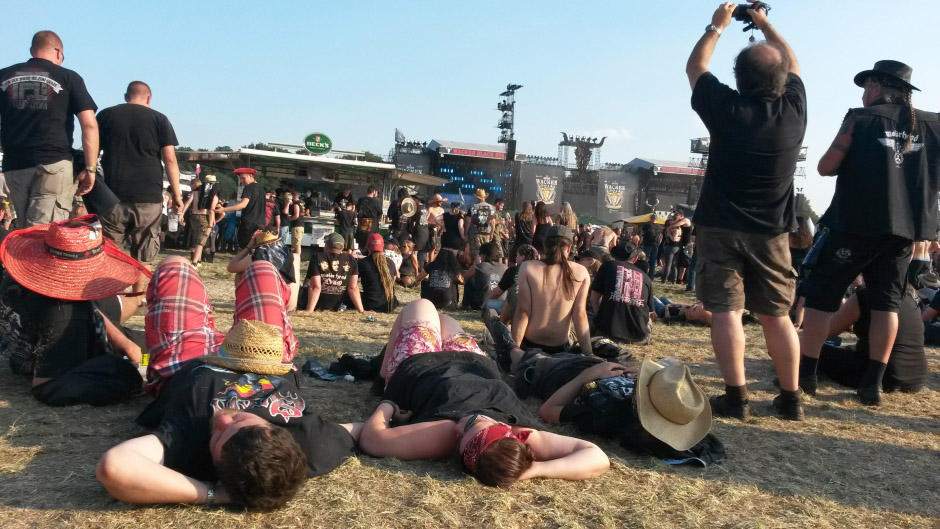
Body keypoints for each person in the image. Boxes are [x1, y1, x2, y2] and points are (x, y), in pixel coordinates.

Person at [96, 320, 361, 511]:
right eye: (242, 420)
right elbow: (359, 430)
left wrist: (215, 495)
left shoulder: (187, 442)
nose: (223, 419)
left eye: (218, 437)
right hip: (263, 353)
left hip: (193, 355)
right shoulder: (312, 442)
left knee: (175, 267)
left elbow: (114, 467)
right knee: (263, 279)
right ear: (276, 429)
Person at [686, 2, 806, 420]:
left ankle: (736, 397)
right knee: (778, 317)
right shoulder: (794, 112)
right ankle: (790, 399)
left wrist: (716, 27)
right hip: (772, 230)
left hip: (720, 224)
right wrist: (765, 22)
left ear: (738, 79)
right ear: (783, 80)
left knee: (727, 312)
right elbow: (791, 62)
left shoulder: (725, 108)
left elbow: (696, 67)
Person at [799, 59, 940, 406]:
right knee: (886, 304)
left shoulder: (859, 119)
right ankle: (872, 385)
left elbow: (825, 167)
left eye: (866, 88)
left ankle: (805, 377)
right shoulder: (935, 124)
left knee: (819, 299)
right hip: (904, 231)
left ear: (877, 87)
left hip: (854, 223)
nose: (863, 95)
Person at [360, 300, 609, 488]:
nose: (458, 430)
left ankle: (384, 373)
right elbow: (597, 457)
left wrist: (389, 404)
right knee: (444, 319)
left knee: (422, 305)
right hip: (473, 362)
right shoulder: (522, 436)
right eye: (470, 425)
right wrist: (532, 469)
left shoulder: (443, 435)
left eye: (460, 442)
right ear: (510, 431)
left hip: (419, 365)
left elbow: (372, 440)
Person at [0, 215, 149, 405]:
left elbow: (88, 305)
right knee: (140, 365)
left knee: (154, 349)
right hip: (73, 358)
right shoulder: (65, 314)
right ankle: (147, 367)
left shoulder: (15, 278)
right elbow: (47, 386)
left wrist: (122, 342)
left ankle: (149, 362)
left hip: (90, 339)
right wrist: (131, 378)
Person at [513, 354, 721, 464]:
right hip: (595, 363)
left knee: (523, 356)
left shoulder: (606, 416)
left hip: (557, 374)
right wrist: (642, 378)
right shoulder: (673, 407)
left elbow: (548, 410)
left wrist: (588, 375)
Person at [145, 254, 298, 396]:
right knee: (262, 268)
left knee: (175, 266)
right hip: (263, 357)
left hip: (188, 361)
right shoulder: (288, 415)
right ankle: (283, 331)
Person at [0, 31, 98, 229]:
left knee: (24, 231)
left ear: (31, 51)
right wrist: (90, 169)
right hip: (53, 164)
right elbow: (88, 124)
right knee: (43, 234)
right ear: (59, 52)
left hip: (14, 165)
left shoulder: (3, 75)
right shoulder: (69, 77)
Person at [98, 81, 182, 274]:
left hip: (111, 195)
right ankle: (138, 298)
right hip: (148, 197)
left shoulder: (106, 115)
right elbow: (170, 160)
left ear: (126, 97)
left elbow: (91, 151)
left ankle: (111, 300)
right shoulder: (159, 119)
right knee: (144, 257)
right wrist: (176, 195)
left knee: (110, 253)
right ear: (149, 98)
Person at [814, 285, 927, 394]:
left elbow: (824, 332)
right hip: (916, 378)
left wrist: (800, 335)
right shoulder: (910, 295)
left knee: (812, 348)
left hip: (883, 376)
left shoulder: (865, 295)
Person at [511, 225, 592, 356]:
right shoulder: (581, 272)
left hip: (530, 344)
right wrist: (589, 353)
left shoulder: (528, 267)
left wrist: (515, 348)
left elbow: (523, 312)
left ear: (545, 246)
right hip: (559, 348)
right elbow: (580, 315)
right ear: (570, 248)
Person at [590, 240, 654, 345]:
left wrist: (599, 319)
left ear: (615, 256)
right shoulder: (646, 278)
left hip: (607, 333)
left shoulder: (608, 266)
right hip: (639, 337)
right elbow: (651, 312)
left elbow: (594, 299)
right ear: (635, 258)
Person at [301, 232, 366, 313]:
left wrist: (309, 310)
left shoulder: (318, 257)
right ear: (342, 248)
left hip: (318, 303)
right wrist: (362, 311)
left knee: (306, 283)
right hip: (336, 304)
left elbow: (316, 287)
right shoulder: (351, 260)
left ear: (326, 246)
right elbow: (353, 288)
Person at [485, 244, 540, 324]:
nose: (516, 258)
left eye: (517, 255)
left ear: (522, 257)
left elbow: (497, 293)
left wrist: (485, 301)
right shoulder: (539, 271)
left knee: (489, 303)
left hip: (516, 307)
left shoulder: (512, 271)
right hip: (535, 308)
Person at [216, 168, 265, 249]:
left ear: (251, 176)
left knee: (244, 248)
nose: (242, 181)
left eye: (243, 178)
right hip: (261, 223)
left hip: (248, 223)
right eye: (240, 179)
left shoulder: (249, 188)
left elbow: (242, 205)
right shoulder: (262, 189)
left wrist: (223, 209)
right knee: (256, 249)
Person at [461, 241, 507, 311]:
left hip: (482, 304)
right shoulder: (505, 268)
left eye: (480, 255)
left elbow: (463, 278)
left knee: (470, 281)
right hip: (501, 304)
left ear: (484, 255)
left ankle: (465, 305)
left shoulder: (479, 267)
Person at [185, 175, 220, 267]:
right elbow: (212, 210)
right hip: (205, 217)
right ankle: (194, 262)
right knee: (201, 242)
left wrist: (181, 213)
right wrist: (212, 222)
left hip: (194, 216)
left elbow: (188, 202)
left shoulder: (196, 192)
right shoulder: (214, 195)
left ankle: (199, 260)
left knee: (196, 237)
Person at [358, 233, 397, 313]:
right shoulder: (391, 262)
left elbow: (352, 284)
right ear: (383, 246)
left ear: (368, 246)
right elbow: (393, 282)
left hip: (369, 305)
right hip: (388, 305)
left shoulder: (362, 263)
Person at [464, 188, 496, 260]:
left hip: (475, 234)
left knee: (476, 254)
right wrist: (491, 233)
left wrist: (466, 233)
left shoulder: (472, 208)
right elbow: (493, 222)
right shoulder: (492, 208)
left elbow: (468, 221)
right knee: (485, 253)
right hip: (487, 234)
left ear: (477, 197)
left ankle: (477, 268)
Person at [660, 212, 690, 284]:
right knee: (674, 264)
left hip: (672, 246)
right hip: (678, 246)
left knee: (668, 264)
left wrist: (669, 231)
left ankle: (664, 280)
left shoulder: (680, 224)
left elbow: (674, 239)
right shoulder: (679, 228)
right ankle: (674, 280)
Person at [407, 195, 431, 269]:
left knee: (415, 250)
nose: (413, 200)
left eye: (414, 199)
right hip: (425, 231)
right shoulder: (425, 208)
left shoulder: (416, 209)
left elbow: (411, 221)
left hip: (418, 231)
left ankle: (416, 269)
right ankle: (422, 268)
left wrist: (410, 231)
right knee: (423, 251)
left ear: (418, 200)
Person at [355, 185, 382, 250]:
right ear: (374, 192)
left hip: (362, 222)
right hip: (372, 223)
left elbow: (357, 210)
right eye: (377, 192)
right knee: (370, 243)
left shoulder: (360, 200)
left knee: (361, 242)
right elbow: (380, 212)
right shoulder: (376, 202)